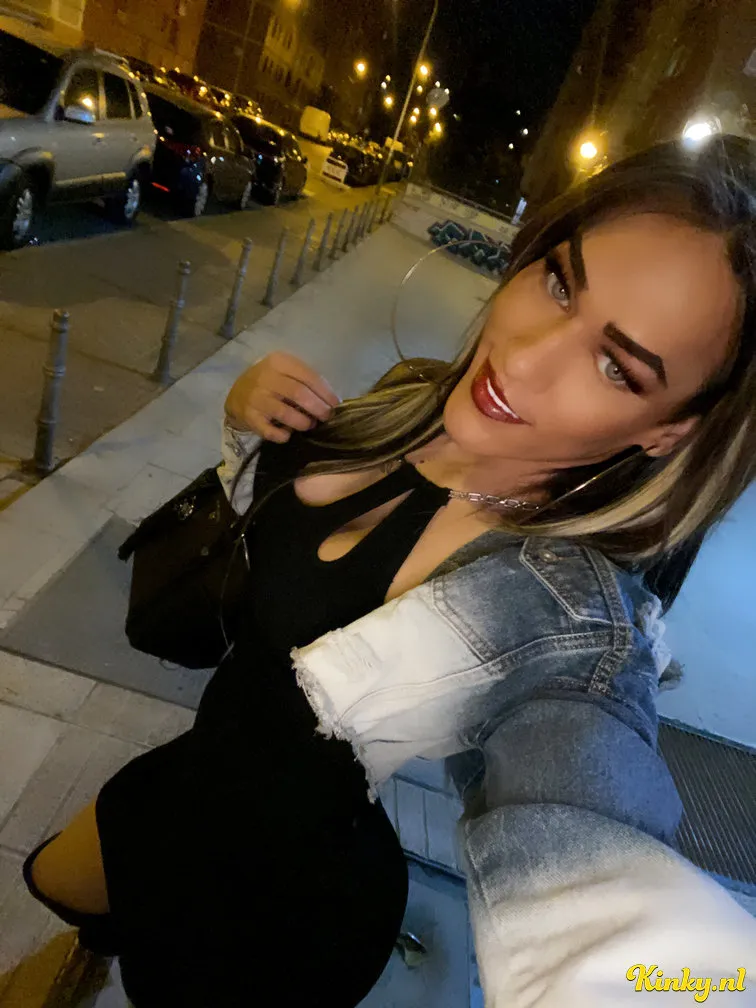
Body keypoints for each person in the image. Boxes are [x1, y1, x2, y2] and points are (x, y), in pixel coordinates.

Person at [21, 135, 756, 1006]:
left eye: (615, 366)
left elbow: (602, 860)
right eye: (561, 282)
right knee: (60, 891)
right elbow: (253, 549)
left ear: (668, 430)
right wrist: (246, 424)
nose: (524, 357)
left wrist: (662, 970)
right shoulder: (412, 398)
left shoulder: (561, 612)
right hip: (185, 783)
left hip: (280, 912)